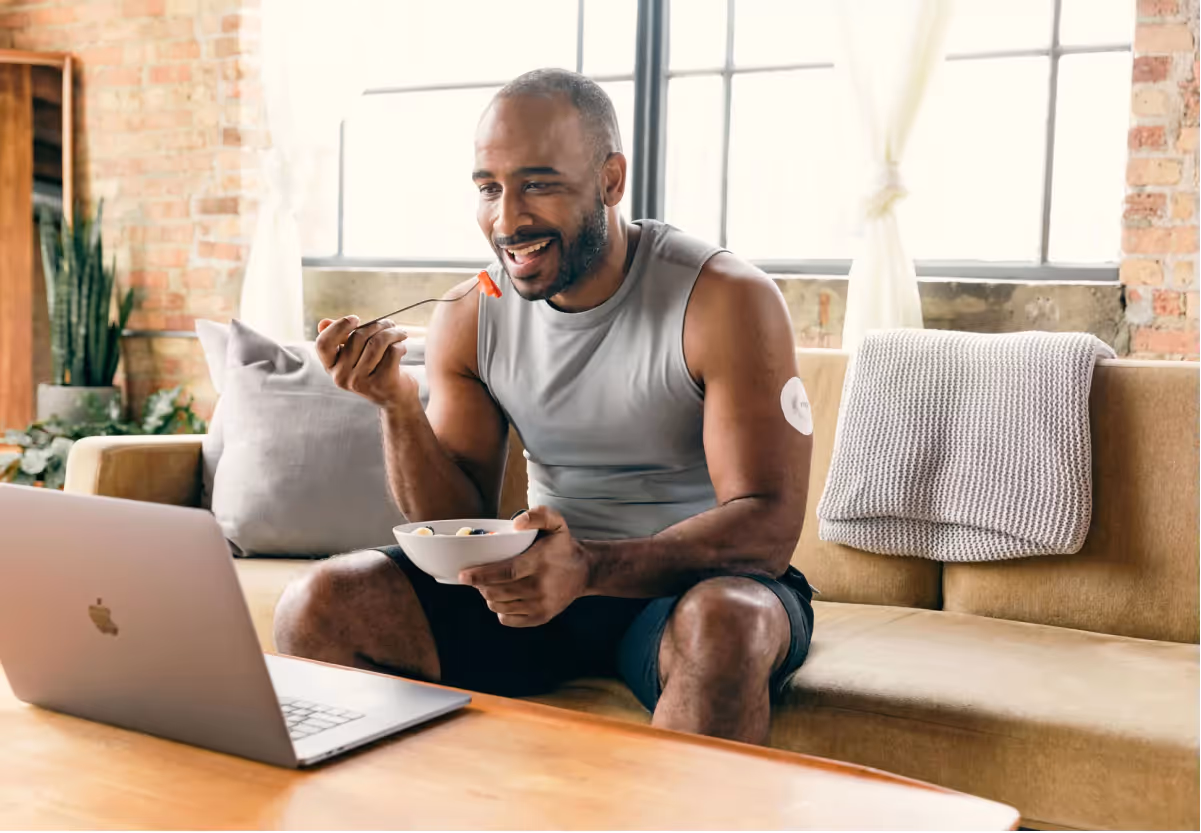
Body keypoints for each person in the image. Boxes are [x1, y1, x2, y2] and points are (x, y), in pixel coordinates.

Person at [274, 68, 815, 745]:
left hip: (692, 589)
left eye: (538, 183)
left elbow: (765, 530)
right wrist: (396, 406)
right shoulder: (470, 314)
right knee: (318, 603)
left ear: (611, 180)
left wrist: (587, 566)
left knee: (727, 620)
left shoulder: (723, 297)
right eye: (488, 188)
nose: (507, 220)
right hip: (540, 587)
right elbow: (454, 522)